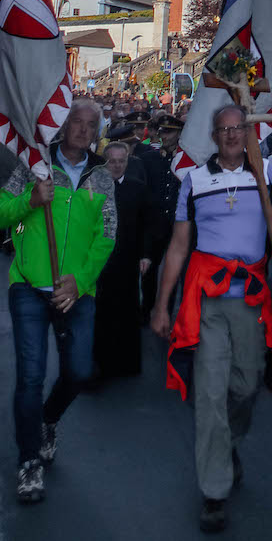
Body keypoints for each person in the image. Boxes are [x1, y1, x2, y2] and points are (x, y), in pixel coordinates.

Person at [152, 103, 272, 535]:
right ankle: (214, 491)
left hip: (252, 298)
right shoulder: (193, 181)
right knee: (210, 392)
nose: (232, 136)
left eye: (239, 129)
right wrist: (161, 304)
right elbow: (178, 247)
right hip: (207, 301)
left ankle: (226, 445)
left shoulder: (264, 175)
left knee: (246, 386)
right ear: (214, 136)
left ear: (249, 132)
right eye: (225, 129)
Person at [0, 99, 116, 504]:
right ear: (62, 126)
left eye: (91, 124)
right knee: (30, 377)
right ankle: (29, 461)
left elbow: (107, 235)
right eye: (76, 122)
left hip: (76, 293)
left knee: (79, 372)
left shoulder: (101, 177)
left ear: (97, 131)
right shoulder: (31, 166)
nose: (83, 130)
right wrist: (28, 202)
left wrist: (79, 282)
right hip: (29, 288)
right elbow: (2, 214)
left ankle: (48, 419)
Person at [93, 141, 155, 380]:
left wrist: (146, 254)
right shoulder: (92, 188)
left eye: (122, 161)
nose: (117, 166)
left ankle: (125, 364)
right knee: (100, 312)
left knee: (127, 311)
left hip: (128, 260)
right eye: (112, 161)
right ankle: (99, 363)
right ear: (104, 162)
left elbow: (149, 224)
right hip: (99, 261)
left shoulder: (138, 188)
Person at [137, 113, 183, 321]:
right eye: (162, 131)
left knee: (174, 270)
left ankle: (167, 308)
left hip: (177, 222)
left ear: (179, 133)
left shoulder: (185, 161)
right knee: (149, 267)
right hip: (154, 222)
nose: (164, 135)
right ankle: (147, 309)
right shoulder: (150, 159)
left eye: (170, 131)